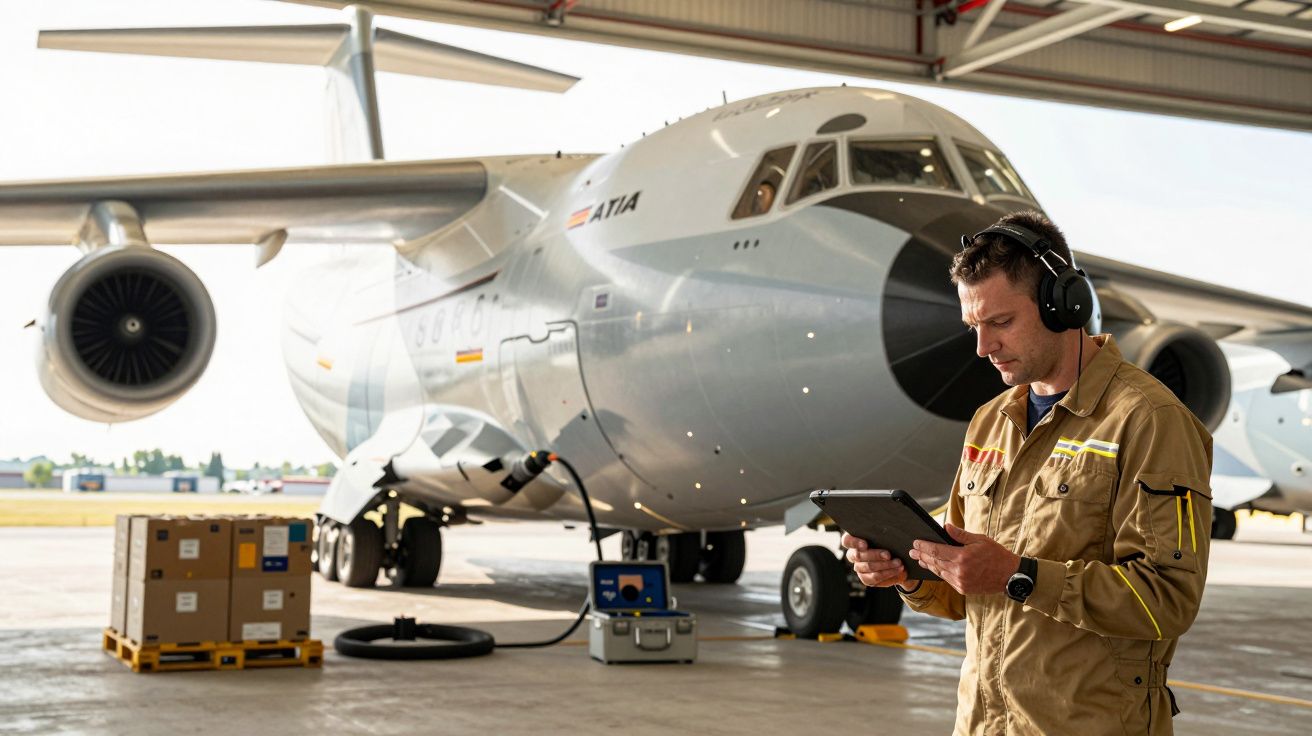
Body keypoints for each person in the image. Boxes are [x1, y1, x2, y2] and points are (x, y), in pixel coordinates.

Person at [843, 210, 1213, 735]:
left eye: (1001, 322)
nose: (982, 347)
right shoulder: (990, 422)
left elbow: (1168, 601)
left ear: (1064, 305)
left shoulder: (1150, 421)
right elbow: (967, 590)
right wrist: (907, 572)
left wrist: (1021, 575)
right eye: (974, 326)